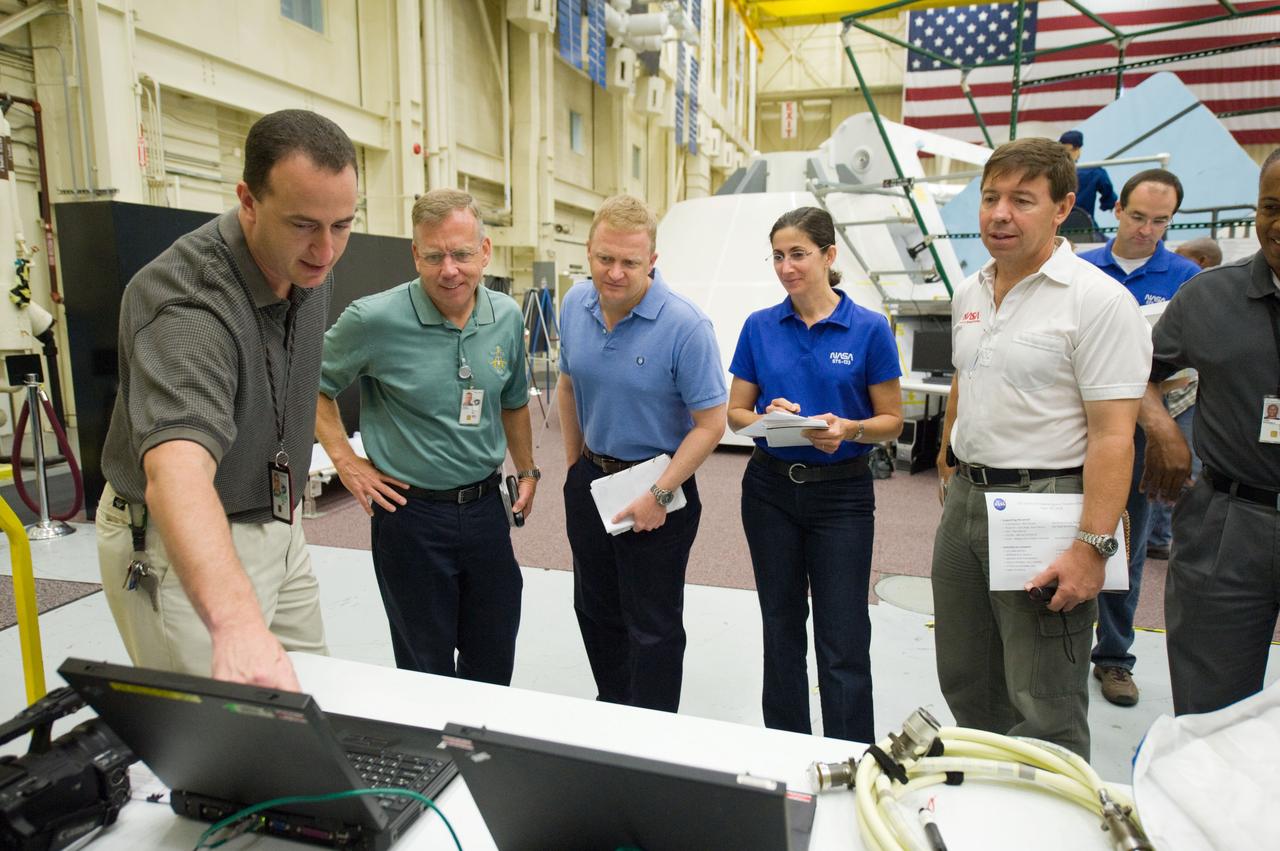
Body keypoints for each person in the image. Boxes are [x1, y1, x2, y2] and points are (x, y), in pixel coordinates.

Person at [96, 110, 359, 690]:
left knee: (314, 704)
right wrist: (236, 625)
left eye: (342, 225)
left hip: (278, 525)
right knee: (222, 745)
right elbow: (177, 474)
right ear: (248, 200)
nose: (325, 249)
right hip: (182, 541)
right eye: (303, 225)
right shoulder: (187, 303)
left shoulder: (308, 265)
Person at [932, 137, 1151, 760]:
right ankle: (991, 795)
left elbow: (1114, 436)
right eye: (991, 197)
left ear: (1062, 208)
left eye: (1022, 200)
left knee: (1043, 696)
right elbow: (966, 378)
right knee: (967, 674)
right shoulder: (970, 292)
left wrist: (1091, 548)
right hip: (967, 503)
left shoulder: (1099, 301)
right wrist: (949, 454)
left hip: (1045, 503)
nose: (1000, 214)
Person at [315, 189, 537, 684]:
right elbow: (311, 384)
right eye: (434, 256)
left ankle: (481, 751)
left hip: (485, 510)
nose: (449, 269)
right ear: (416, 254)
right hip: (409, 517)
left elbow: (515, 400)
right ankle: (433, 761)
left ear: (485, 251)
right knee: (424, 666)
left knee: (494, 652)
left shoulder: (504, 317)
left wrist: (527, 469)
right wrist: (345, 461)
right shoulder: (373, 320)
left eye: (461, 254)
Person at [726, 207, 903, 742]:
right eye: (778, 255)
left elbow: (892, 421)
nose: (785, 267)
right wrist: (769, 419)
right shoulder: (759, 327)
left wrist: (849, 429)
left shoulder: (869, 328)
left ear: (829, 256)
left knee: (843, 632)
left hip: (842, 497)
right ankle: (785, 747)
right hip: (769, 493)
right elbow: (736, 415)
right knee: (780, 627)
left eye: (798, 254)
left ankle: (852, 755)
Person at [557, 194, 727, 713]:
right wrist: (574, 468)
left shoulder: (686, 327)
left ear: (652, 260)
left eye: (630, 262)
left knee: (651, 625)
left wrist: (659, 492)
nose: (615, 272)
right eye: (605, 258)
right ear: (588, 251)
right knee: (595, 608)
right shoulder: (572, 304)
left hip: (659, 487)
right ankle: (613, 707)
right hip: (592, 480)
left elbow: (711, 425)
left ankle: (653, 730)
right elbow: (567, 386)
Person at [1140, 148, 1280, 716]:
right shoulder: (1208, 296)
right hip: (1229, 524)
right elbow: (1136, 373)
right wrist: (1162, 430)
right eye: (1272, 206)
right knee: (1209, 714)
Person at [1076, 169, 1201, 707]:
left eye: (1161, 221)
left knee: (1123, 543)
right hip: (1076, 427)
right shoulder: (1080, 271)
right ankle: (1058, 649)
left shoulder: (1187, 280)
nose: (1148, 229)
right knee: (1059, 535)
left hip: (1145, 435)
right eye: (1138, 217)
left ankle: (1114, 657)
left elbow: (1190, 368)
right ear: (1117, 210)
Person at [1059, 130, 1116, 242]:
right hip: (1086, 229)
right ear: (1077, 149)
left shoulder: (1050, 174)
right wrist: (1107, 205)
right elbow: (1109, 196)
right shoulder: (1094, 172)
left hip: (1057, 230)